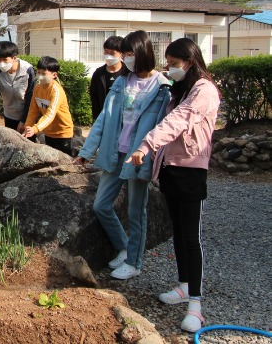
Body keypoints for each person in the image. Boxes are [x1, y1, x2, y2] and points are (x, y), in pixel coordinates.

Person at [126, 38, 220, 333]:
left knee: (192, 238)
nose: (169, 68)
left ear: (190, 62)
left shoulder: (204, 90)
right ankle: (183, 286)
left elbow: (180, 120)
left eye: (174, 63)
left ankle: (196, 304)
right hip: (170, 169)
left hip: (191, 172)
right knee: (178, 233)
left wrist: (146, 144)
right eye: (167, 63)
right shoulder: (180, 89)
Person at [74, 30, 171, 280]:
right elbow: (103, 119)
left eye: (130, 54)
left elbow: (163, 127)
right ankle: (124, 246)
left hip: (139, 156)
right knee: (101, 205)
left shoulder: (162, 87)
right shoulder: (121, 83)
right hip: (114, 152)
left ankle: (134, 261)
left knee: (136, 210)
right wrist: (86, 152)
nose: (126, 59)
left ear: (144, 53)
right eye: (125, 54)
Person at [0, 41, 35, 133]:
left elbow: (31, 96)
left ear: (14, 58)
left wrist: (24, 120)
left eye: (5, 60)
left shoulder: (27, 70)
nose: (1, 63)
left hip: (27, 116)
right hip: (9, 115)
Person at [22, 56, 74, 156]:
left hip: (63, 134)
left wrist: (36, 128)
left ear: (54, 75)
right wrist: (27, 127)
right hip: (49, 133)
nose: (40, 76)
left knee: (65, 163)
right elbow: (33, 110)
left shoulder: (56, 91)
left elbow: (50, 114)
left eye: (44, 73)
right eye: (39, 72)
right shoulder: (37, 88)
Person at [89, 35, 128, 121]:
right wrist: (96, 119)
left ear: (121, 54)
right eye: (106, 52)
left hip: (123, 118)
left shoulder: (128, 73)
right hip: (104, 117)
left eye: (112, 53)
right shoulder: (98, 73)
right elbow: (94, 97)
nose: (108, 56)